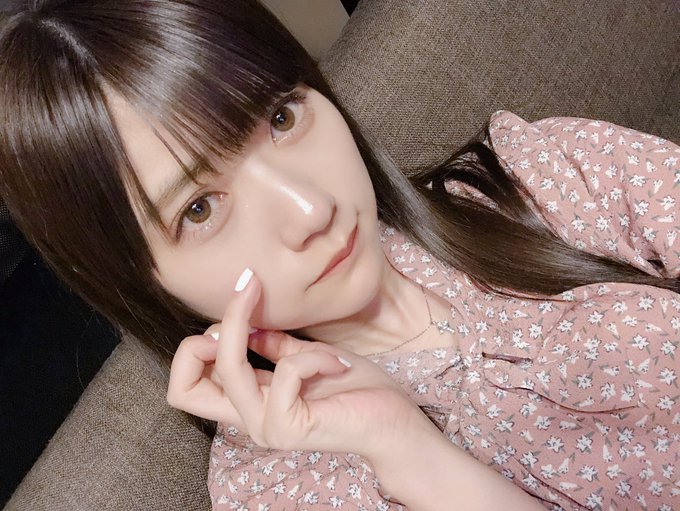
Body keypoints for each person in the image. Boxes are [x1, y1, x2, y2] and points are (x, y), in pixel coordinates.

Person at [0, 0, 678, 509]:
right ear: (139, 279)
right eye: (199, 208)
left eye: (281, 117)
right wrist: (408, 450)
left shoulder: (534, 176)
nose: (311, 209)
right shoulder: (280, 484)